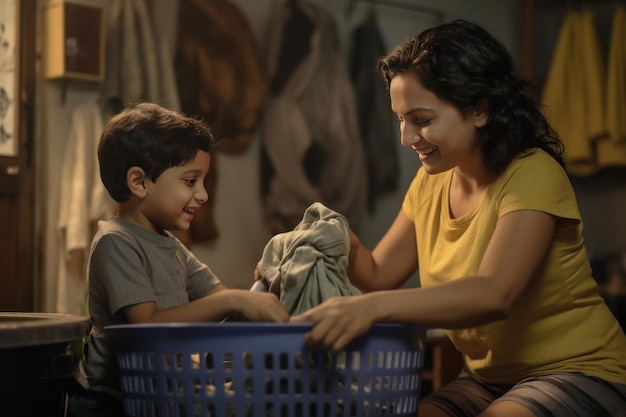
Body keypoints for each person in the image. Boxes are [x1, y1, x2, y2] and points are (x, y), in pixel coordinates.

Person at [288, 20, 626, 417]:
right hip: (487, 381)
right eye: (401, 119)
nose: (406, 138)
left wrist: (372, 308)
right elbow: (378, 271)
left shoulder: (532, 174)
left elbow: (494, 294)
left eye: (422, 120)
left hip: (578, 370)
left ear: (479, 109)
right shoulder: (430, 184)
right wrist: (332, 242)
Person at [67, 102, 289, 417]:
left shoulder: (168, 243)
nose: (203, 195)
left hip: (158, 393)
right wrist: (238, 301)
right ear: (139, 182)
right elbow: (148, 325)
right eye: (190, 181)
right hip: (111, 401)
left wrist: (261, 288)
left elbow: (219, 298)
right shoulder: (115, 242)